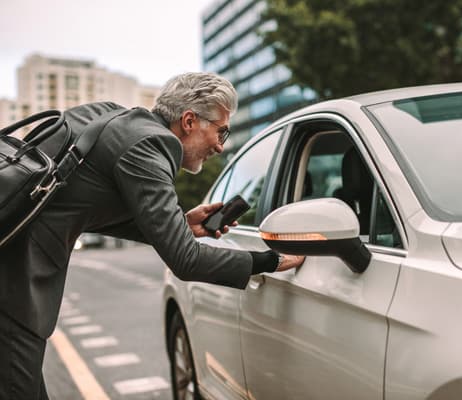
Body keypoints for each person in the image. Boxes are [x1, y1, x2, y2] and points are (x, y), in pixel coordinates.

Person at [0, 72, 305, 399]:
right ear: (189, 121)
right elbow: (186, 260)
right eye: (221, 131)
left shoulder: (113, 116)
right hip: (14, 280)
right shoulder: (152, 145)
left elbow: (76, 206)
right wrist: (269, 261)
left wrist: (180, 224)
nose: (220, 145)